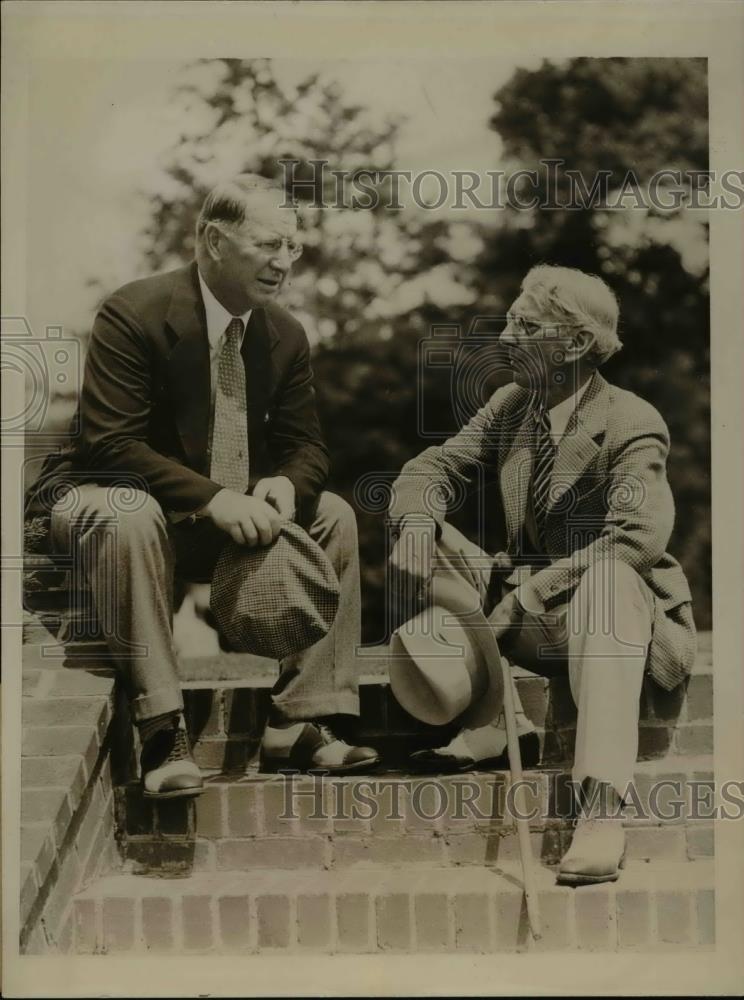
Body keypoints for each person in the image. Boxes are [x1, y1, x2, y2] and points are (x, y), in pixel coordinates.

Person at [26, 174, 379, 800]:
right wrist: (216, 498)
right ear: (215, 240)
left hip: (209, 517)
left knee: (334, 516)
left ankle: (299, 721)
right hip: (104, 503)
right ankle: (163, 731)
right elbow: (111, 445)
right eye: (270, 244)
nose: (284, 262)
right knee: (129, 513)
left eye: (293, 247)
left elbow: (307, 445)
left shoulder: (285, 334)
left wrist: (285, 487)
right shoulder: (133, 311)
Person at [388, 265, 696, 885]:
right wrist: (419, 519)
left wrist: (528, 593)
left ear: (576, 344)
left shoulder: (633, 421)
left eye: (524, 325)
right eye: (508, 319)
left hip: (609, 620)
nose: (503, 336)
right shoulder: (512, 406)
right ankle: (496, 721)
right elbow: (433, 466)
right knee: (426, 533)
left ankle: (602, 810)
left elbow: (636, 538)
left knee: (608, 586)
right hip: (530, 621)